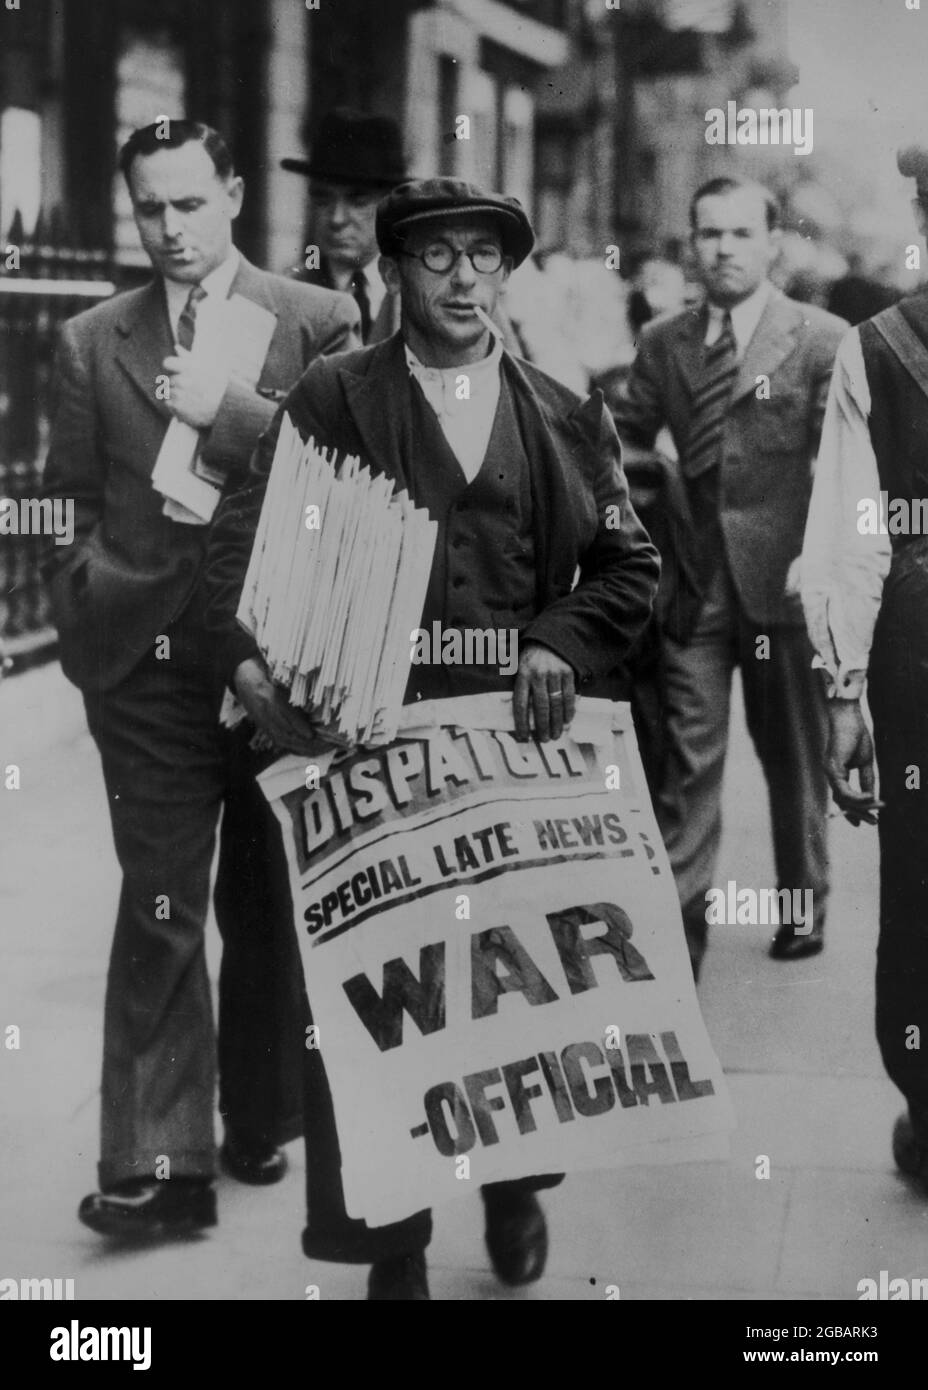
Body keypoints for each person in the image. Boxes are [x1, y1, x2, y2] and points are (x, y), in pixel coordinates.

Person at [204, 176, 660, 1298]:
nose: (462, 278)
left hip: (504, 758)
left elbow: (630, 565)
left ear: (506, 272)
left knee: (504, 987)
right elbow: (233, 557)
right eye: (437, 256)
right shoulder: (332, 401)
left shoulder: (555, 414)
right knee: (367, 1004)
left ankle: (509, 1188)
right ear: (395, 273)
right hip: (361, 748)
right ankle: (389, 1249)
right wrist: (254, 673)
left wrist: (556, 639)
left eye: (482, 257)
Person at [40, 120, 360, 1239]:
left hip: (271, 659)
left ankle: (260, 1108)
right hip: (144, 662)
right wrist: (85, 596)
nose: (168, 230)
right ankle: (160, 1165)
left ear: (231, 194)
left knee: (267, 902)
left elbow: (339, 477)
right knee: (163, 901)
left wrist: (221, 413)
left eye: (188, 204)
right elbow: (68, 493)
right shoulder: (91, 338)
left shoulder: (316, 320)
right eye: (147, 209)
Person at [613, 176, 846, 979]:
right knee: (689, 756)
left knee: (793, 752)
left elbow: (842, 468)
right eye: (709, 234)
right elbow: (623, 444)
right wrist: (658, 486)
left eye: (742, 234)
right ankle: (681, 929)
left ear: (773, 243)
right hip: (693, 582)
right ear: (691, 243)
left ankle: (801, 899)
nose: (724, 250)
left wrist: (821, 573)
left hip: (781, 585)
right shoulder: (665, 342)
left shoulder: (818, 340)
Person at [800, 142, 928, 1194]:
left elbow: (855, 534)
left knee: (920, 876)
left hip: (914, 641)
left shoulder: (877, 348)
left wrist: (843, 688)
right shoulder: (875, 349)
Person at [282, 107, 408, 344]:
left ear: (392, 205)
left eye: (357, 201)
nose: (337, 218)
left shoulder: (414, 292)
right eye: (322, 199)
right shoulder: (288, 293)